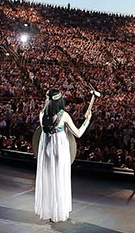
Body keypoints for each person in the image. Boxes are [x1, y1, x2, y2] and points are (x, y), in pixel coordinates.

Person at [34, 88, 92, 222]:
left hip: (46, 149)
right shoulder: (63, 115)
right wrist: (87, 120)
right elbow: (78, 133)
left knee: (49, 179)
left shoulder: (42, 114)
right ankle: (58, 212)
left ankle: (49, 211)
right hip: (59, 149)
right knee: (59, 179)